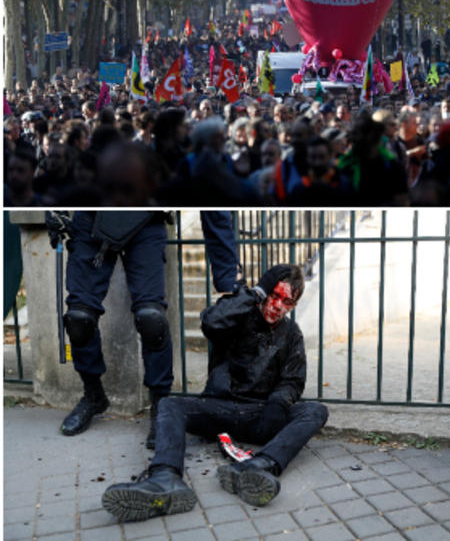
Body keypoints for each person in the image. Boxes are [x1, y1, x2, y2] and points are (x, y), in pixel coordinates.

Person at [101, 264, 329, 521]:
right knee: (169, 405)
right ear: (266, 292)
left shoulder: (291, 334)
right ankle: (165, 478)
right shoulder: (240, 313)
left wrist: (278, 403)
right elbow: (211, 322)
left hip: (261, 415)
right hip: (220, 408)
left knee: (315, 410)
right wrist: (255, 293)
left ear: (294, 305)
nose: (277, 306)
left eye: (286, 302)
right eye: (274, 296)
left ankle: (259, 466)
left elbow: (293, 380)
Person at [45, 211, 171, 448]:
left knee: (151, 320)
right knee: (78, 319)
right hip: (90, 219)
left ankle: (161, 403)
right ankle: (93, 395)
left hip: (145, 218)